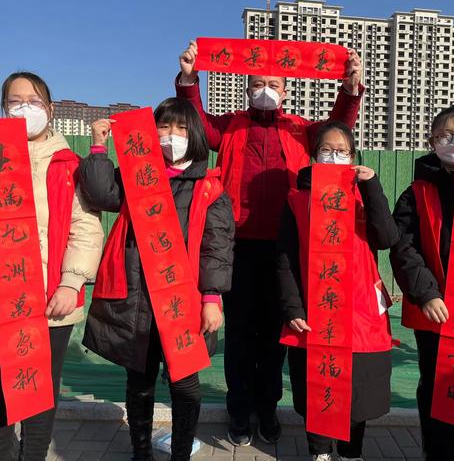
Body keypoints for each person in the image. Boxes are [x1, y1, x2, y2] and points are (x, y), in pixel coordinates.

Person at [176, 40, 364, 446]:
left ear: (286, 90)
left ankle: (268, 408)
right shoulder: (230, 126)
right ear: (246, 89)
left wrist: (350, 89)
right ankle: (239, 412)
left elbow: (338, 129)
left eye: (273, 83)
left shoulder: (299, 128)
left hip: (286, 248)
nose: (266, 88)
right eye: (257, 82)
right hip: (236, 246)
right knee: (240, 336)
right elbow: (196, 123)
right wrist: (190, 80)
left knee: (276, 336)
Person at [79, 97, 235, 461]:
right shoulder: (136, 177)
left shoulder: (208, 189)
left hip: (184, 301)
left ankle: (180, 453)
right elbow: (101, 194)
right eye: (163, 127)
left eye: (181, 128)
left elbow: (217, 249)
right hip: (138, 300)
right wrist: (99, 147)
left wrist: (212, 297)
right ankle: (141, 450)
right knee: (139, 381)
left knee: (186, 385)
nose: (171, 135)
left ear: (195, 135)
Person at [277, 121, 398, 461]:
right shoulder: (297, 200)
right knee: (320, 386)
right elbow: (285, 260)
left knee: (357, 393)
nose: (334, 156)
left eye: (342, 151)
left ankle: (350, 453)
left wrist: (371, 186)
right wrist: (294, 309)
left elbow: (387, 238)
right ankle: (319, 452)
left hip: (360, 312)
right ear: (314, 156)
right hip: (315, 312)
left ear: (353, 157)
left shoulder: (364, 195)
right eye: (326, 151)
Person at [0, 72, 104, 460]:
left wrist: (71, 282)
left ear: (50, 108)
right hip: (4, 298)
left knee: (39, 389)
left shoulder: (68, 164)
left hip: (50, 298)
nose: (24, 107)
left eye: (33, 100)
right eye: (15, 101)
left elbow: (86, 228)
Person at [390, 104, 454, 461]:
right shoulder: (417, 191)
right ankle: (439, 454)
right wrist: (425, 293)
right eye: (444, 135)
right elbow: (403, 246)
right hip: (436, 310)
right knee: (436, 387)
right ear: (431, 141)